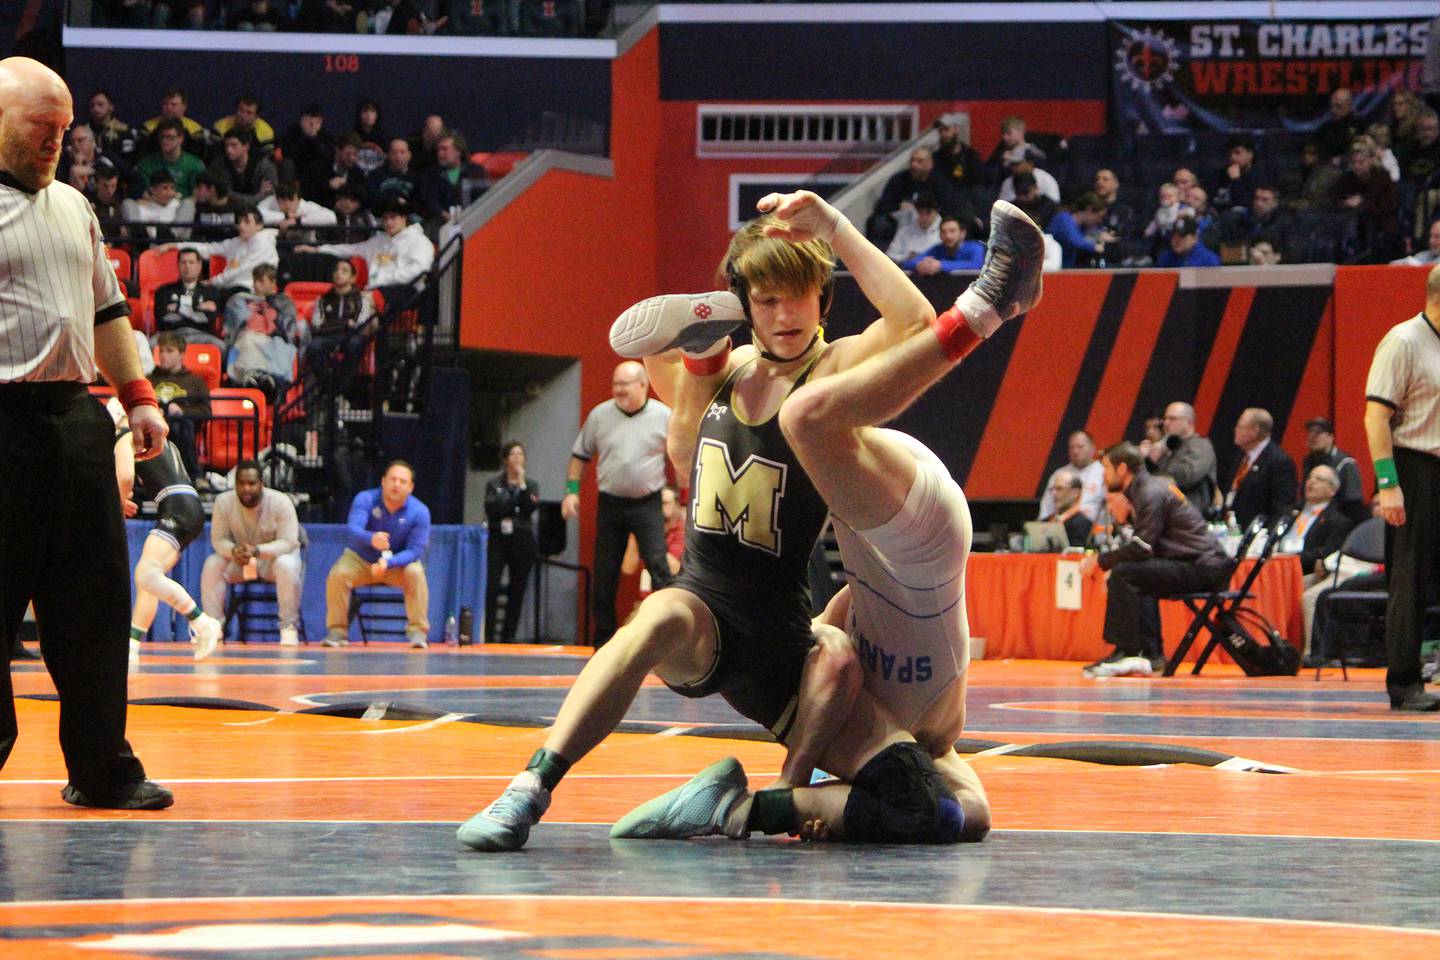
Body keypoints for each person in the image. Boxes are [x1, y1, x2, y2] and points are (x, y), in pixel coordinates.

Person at [457, 189, 1043, 850]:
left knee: (923, 807)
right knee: (660, 615)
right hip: (705, 609)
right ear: (745, 307)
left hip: (783, 651)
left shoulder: (832, 366)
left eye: (797, 295)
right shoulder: (730, 370)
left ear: (822, 297)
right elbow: (677, 439)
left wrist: (836, 227)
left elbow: (910, 319)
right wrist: (701, 360)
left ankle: (729, 808)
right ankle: (529, 788)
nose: (784, 313)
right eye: (765, 300)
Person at [0, 56, 173, 810]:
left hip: (74, 419)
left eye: (65, 132)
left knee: (96, 605)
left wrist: (138, 396)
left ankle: (103, 769)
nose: (57, 146)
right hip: (0, 423)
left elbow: (107, 311)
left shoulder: (73, 204)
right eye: (42, 130)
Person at [1082, 443, 1230, 678]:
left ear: (1121, 469)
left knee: (1125, 573)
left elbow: (1142, 547)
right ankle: (1151, 654)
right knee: (1137, 576)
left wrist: (1102, 561)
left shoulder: (1149, 491)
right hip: (1200, 564)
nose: (1104, 476)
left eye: (1107, 469)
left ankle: (1128, 652)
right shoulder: (1148, 488)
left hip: (1205, 566)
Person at [1363, 269, 1440, 711]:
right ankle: (1405, 684)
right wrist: (1388, 485)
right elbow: (1376, 417)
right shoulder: (1404, 340)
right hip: (1412, 468)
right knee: (1409, 580)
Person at [560, 360, 673, 646]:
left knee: (659, 568)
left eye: (625, 385)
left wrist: (684, 500)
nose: (618, 391)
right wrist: (571, 491)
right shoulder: (600, 416)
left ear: (643, 386)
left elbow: (682, 459)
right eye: (615, 385)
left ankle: (669, 639)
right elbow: (579, 457)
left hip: (648, 503)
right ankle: (603, 643)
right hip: (611, 504)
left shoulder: (664, 416)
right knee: (605, 575)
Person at [106, 398, 222, 671]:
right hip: (186, 505)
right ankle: (132, 647)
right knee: (150, 578)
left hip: (177, 507)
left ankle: (203, 622)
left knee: (146, 573)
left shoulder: (125, 436)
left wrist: (119, 502)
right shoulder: (158, 437)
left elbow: (124, 477)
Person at [323, 460, 432, 649]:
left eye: (402, 481)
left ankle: (417, 632)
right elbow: (353, 529)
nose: (396, 484)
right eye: (393, 479)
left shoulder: (420, 512)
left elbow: (415, 551)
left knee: (416, 573)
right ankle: (337, 632)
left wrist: (388, 563)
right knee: (338, 574)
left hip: (397, 564)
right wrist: (370, 538)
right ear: (383, 481)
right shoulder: (365, 499)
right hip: (360, 559)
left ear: (411, 487)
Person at [200, 458, 304, 646]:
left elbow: (288, 542)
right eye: (241, 483)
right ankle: (213, 626)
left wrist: (258, 551)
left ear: (261, 484)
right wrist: (233, 551)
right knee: (213, 564)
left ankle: (288, 627)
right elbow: (218, 540)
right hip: (241, 560)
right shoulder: (223, 502)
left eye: (251, 483)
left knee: (286, 564)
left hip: (272, 561)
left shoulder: (281, 502)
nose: (246, 488)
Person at [1284, 465, 1358, 660]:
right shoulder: (1292, 512)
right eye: (1310, 477)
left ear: (1332, 490)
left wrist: (1293, 559)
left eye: (1319, 479)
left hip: (1313, 570)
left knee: (1306, 594)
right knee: (1278, 589)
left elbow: (1325, 553)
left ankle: (1310, 653)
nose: (1311, 482)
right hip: (1282, 566)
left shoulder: (1338, 520)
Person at [484, 441, 541, 643]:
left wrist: (522, 487)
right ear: (506, 459)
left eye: (520, 454)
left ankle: (508, 637)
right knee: (492, 586)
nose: (517, 458)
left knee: (516, 590)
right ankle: (488, 634)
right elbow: (492, 508)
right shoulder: (494, 484)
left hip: (522, 540)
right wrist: (513, 507)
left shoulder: (531, 485)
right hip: (498, 538)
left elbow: (529, 508)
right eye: (513, 454)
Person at [157, 207, 279, 293]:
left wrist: (212, 282)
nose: (241, 225)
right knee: (195, 291)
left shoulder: (264, 243)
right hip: (229, 287)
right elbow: (209, 249)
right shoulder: (236, 242)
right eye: (240, 221)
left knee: (209, 294)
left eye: (247, 222)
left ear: (259, 226)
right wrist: (175, 245)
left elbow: (240, 270)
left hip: (249, 289)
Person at [222, 264, 300, 398]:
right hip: (247, 335)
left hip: (273, 339)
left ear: (272, 282)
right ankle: (252, 377)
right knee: (247, 338)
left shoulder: (284, 302)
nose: (257, 285)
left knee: (279, 345)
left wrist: (269, 318)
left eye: (261, 281)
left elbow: (288, 330)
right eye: (255, 281)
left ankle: (266, 379)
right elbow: (234, 326)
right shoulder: (242, 299)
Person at [148, 331, 211, 482]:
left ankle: (192, 476)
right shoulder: (149, 380)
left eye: (169, 351)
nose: (163, 355)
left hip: (182, 428)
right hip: (153, 426)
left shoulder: (195, 382)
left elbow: (206, 411)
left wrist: (182, 411)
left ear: (182, 354)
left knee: (181, 424)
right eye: (161, 350)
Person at [1225, 407, 1298, 529]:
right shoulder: (1242, 455)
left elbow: (1282, 507)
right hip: (1232, 527)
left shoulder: (1279, 461)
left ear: (1254, 431)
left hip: (1256, 533)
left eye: (1240, 427)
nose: (1235, 430)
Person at [1144, 401, 1219, 516]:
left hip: (1190, 517)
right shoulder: (1169, 446)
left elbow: (1186, 476)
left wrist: (1160, 458)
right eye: (1165, 419)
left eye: (1172, 419)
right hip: (1164, 514)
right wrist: (1149, 460)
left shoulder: (1201, 446)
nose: (1166, 423)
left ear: (1188, 422)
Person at [305, 258, 375, 370]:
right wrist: (346, 323)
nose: (339, 273)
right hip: (327, 336)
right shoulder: (323, 299)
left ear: (352, 278)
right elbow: (317, 324)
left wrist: (330, 324)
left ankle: (341, 383)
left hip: (351, 337)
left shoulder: (361, 299)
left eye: (344, 271)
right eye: (336, 270)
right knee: (313, 347)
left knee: (355, 344)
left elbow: (359, 325)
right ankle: (329, 381)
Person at [152, 247, 222, 348]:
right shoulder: (164, 290)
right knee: (149, 345)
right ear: (178, 265)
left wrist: (177, 307)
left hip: (201, 335)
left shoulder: (211, 292)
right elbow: (162, 316)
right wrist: (196, 309)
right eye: (183, 263)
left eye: (191, 262)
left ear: (199, 265)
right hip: (170, 335)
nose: (187, 266)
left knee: (221, 348)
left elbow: (209, 318)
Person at [1299, 416, 1366, 521]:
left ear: (1331, 437)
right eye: (1310, 432)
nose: (1312, 436)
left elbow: (1353, 503)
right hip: (1311, 518)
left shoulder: (1345, 463)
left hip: (1337, 522)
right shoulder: (1308, 461)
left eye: (1318, 433)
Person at [1037, 429, 1104, 521]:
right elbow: (1046, 509)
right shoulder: (1058, 475)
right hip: (1063, 530)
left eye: (1080, 447)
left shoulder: (1103, 474)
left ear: (1093, 448)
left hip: (1095, 530)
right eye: (1072, 447)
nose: (1075, 451)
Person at [1042, 467, 1094, 547]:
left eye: (1059, 489)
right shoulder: (1046, 521)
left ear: (1075, 493)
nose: (1054, 494)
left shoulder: (1084, 524)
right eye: (1053, 489)